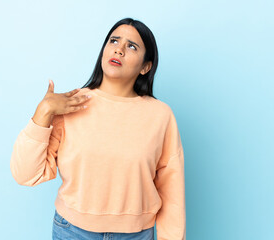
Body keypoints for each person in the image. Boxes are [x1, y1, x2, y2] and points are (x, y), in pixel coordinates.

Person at [10, 17, 186, 240]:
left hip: (136, 235)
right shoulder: (70, 104)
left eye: (132, 46)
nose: (119, 49)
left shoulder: (160, 116)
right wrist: (43, 112)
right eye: (114, 41)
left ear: (146, 66)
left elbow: (172, 191)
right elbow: (25, 175)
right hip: (72, 231)